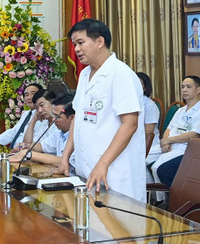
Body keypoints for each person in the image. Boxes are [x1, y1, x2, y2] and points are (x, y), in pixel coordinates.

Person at [59, 19, 146, 201]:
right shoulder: (84, 74)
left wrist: (103, 164)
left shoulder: (121, 74)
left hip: (115, 172)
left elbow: (130, 124)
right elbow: (78, 118)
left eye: (81, 43)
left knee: (121, 227)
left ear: (99, 41)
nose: (76, 49)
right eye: (74, 44)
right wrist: (65, 155)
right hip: (87, 168)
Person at [152, 76, 200, 187]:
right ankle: (147, 195)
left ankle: (162, 200)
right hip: (170, 143)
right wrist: (166, 141)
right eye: (182, 87)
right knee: (142, 158)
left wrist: (168, 140)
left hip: (184, 147)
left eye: (188, 87)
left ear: (198, 89)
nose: (184, 90)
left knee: (157, 167)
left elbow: (194, 134)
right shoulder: (181, 110)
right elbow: (169, 128)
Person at [9, 93, 74, 167]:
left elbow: (64, 161)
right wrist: (24, 147)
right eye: (53, 115)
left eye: (57, 117)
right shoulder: (60, 132)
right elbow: (40, 147)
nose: (53, 119)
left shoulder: (79, 136)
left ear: (72, 118)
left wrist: (28, 154)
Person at [0, 83, 43, 148]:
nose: (29, 97)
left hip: (27, 152)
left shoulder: (42, 116)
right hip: (14, 152)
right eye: (26, 95)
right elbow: (13, 132)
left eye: (33, 94)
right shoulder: (26, 114)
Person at [137, 73, 162, 165]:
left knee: (138, 163)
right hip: (131, 142)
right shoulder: (126, 102)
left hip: (149, 145)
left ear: (145, 88)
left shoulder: (149, 105)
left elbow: (148, 132)